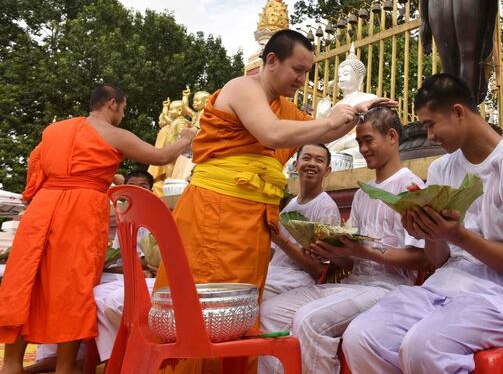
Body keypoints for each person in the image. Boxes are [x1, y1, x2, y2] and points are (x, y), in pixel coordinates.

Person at [153, 30, 391, 373]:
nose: (302, 79)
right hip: (215, 213)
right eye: (297, 69)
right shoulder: (243, 89)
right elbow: (273, 134)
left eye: (307, 72)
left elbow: (321, 132)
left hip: (250, 222)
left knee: (240, 313)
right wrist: (330, 119)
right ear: (271, 61)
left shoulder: (283, 107)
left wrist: (354, 113)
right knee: (204, 311)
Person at [342, 74, 503, 373]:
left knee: (422, 347)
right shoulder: (441, 168)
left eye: (430, 124)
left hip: (497, 299)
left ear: (458, 112)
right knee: (361, 336)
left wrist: (458, 235)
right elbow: (438, 260)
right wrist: (429, 231)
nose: (429, 136)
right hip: (443, 287)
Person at [0, 84, 196, 374]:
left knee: (26, 281)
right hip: (79, 214)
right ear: (112, 104)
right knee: (73, 289)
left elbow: (36, 175)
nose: (123, 115)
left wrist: (100, 176)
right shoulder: (115, 134)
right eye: (124, 109)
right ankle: (65, 367)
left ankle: (10, 365)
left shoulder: (53, 131)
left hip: (42, 210)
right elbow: (161, 157)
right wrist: (184, 138)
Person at [259, 108, 427, 374]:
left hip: (388, 287)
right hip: (352, 284)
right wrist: (332, 251)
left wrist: (368, 251)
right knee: (270, 312)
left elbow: (423, 258)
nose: (362, 148)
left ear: (392, 136)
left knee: (310, 319)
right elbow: (351, 260)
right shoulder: (362, 194)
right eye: (359, 142)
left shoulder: (410, 188)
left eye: (368, 140)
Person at [26, 169, 158, 373]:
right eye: (132, 187)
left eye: (143, 187)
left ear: (152, 190)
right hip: (128, 274)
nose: (136, 192)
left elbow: (148, 261)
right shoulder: (123, 217)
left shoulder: (158, 213)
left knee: (99, 296)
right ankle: (67, 358)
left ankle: (107, 360)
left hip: (153, 277)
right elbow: (121, 256)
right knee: (75, 290)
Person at [263, 143, 340, 299]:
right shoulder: (289, 207)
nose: (312, 163)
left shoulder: (326, 208)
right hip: (273, 275)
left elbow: (319, 270)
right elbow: (270, 253)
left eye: (319, 160)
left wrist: (280, 239)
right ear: (296, 165)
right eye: (306, 158)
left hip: (297, 281)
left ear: (327, 170)